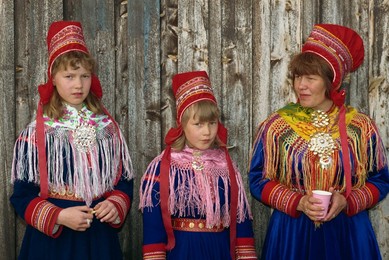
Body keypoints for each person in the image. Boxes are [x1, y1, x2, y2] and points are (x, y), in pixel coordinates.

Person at [249, 24, 389, 260]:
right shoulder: (276, 127)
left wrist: (348, 200)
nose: (300, 85)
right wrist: (299, 201)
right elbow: (257, 180)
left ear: (331, 81)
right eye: (297, 77)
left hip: (348, 234)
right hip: (292, 235)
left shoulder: (360, 127)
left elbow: (381, 180)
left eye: (310, 78)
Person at [10, 21, 134, 260]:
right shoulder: (38, 133)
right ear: (53, 78)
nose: (78, 84)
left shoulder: (108, 129)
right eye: (69, 76)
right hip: (53, 244)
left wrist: (116, 203)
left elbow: (124, 180)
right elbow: (21, 195)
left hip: (98, 240)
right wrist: (58, 216)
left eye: (84, 76)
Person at [139, 71, 257, 259]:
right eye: (198, 124)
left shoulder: (225, 166)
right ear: (182, 124)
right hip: (182, 251)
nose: (207, 132)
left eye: (212, 123)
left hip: (220, 251)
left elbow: (240, 219)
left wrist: (246, 256)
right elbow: (153, 223)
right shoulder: (164, 167)